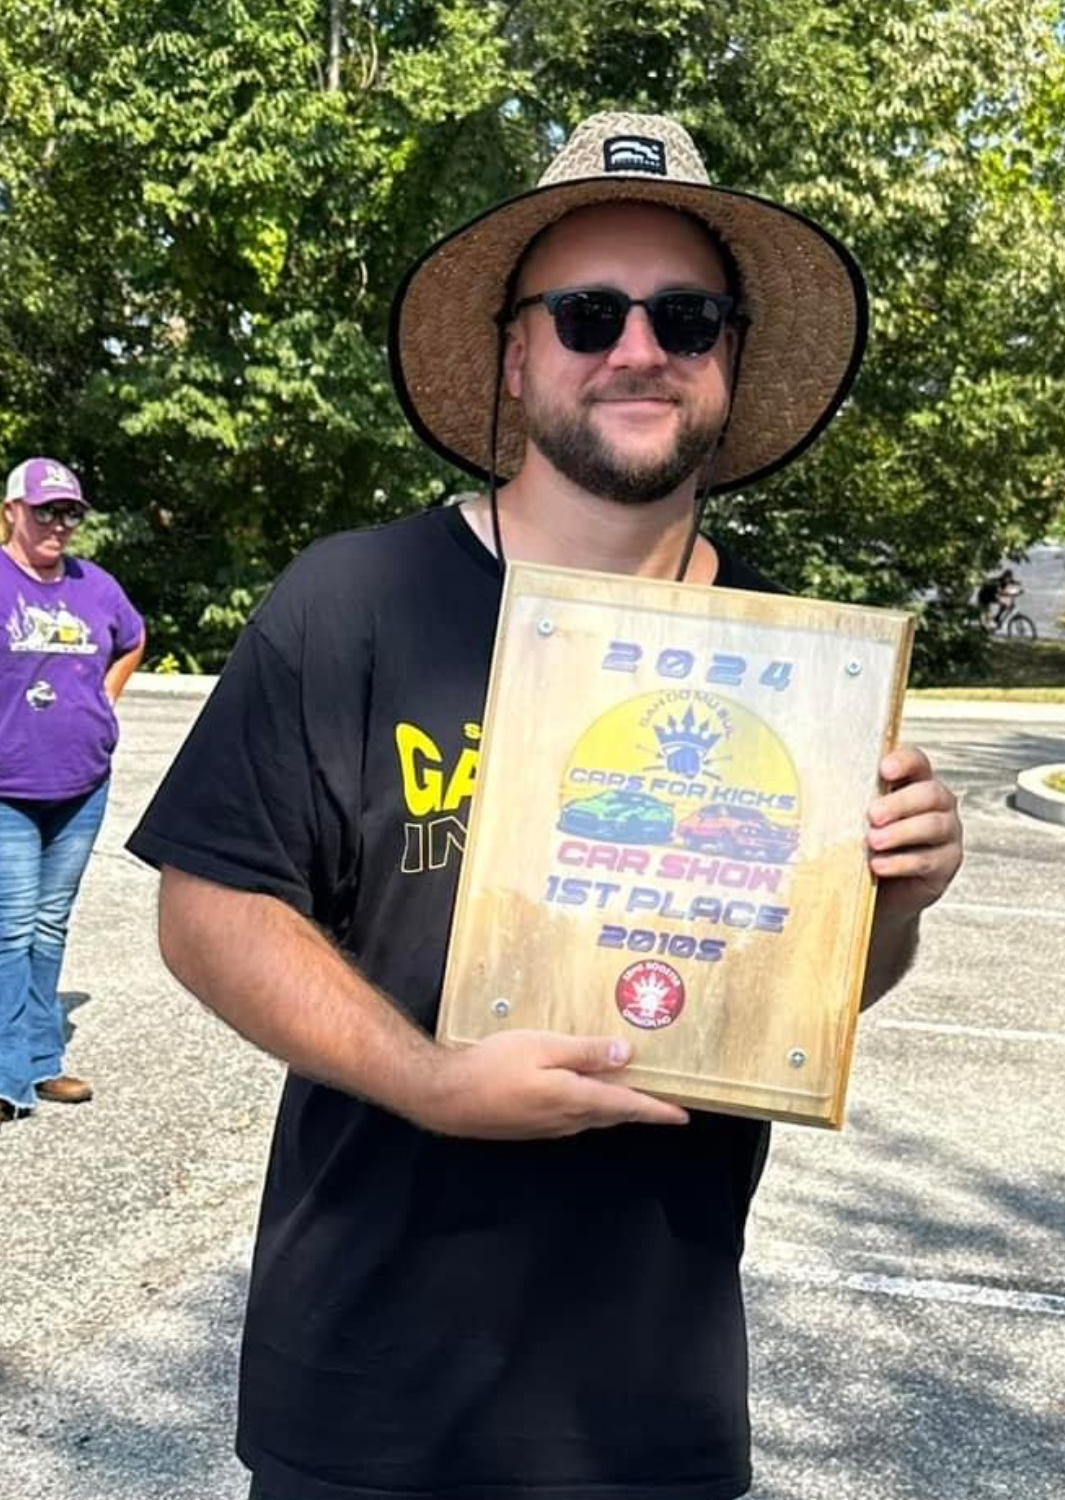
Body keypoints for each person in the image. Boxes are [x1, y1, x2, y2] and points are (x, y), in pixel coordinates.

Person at [127, 113, 963, 1500]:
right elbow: (208, 903)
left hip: (652, 1409)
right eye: (587, 314)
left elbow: (803, 995)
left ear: (730, 361)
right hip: (367, 1399)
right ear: (516, 357)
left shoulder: (793, 667)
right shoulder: (353, 601)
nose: (636, 348)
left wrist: (895, 899)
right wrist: (427, 1082)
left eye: (684, 318)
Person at [1, 457, 145, 1126]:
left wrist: (103, 703)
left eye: (69, 513)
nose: (57, 525)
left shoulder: (95, 586)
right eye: (44, 511)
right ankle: (8, 1076)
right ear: (11, 512)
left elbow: (134, 639)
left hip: (81, 784)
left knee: (48, 925)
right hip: (8, 788)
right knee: (11, 929)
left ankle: (41, 1062)